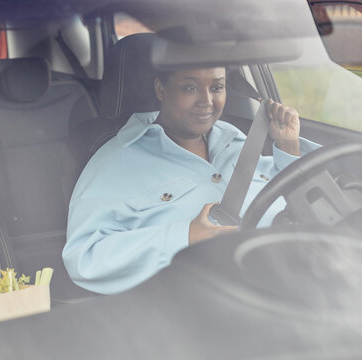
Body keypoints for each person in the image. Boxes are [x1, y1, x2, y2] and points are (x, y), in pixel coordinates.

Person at [62, 66, 319, 295]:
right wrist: (184, 238)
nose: (206, 101)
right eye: (190, 87)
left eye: (217, 87)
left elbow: (306, 208)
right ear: (161, 89)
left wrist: (287, 148)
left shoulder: (239, 142)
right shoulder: (114, 162)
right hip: (204, 309)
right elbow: (84, 259)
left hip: (299, 280)